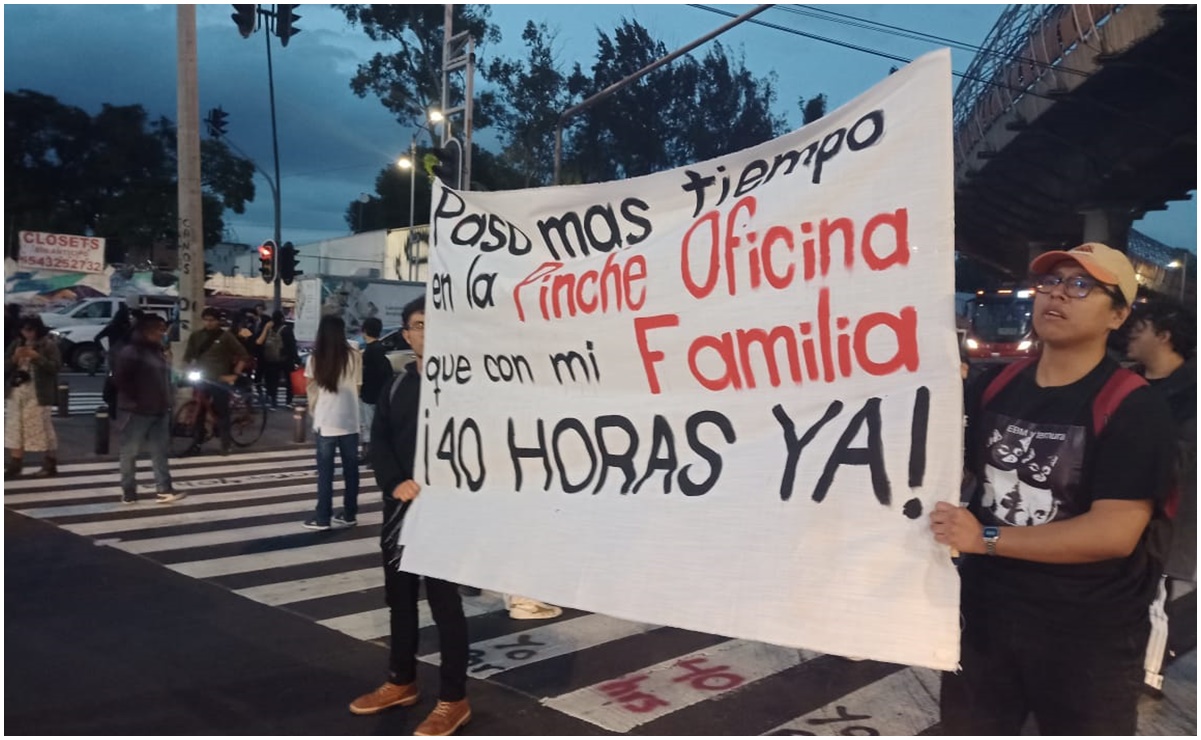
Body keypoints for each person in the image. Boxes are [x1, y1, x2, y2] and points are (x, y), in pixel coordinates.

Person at [930, 243, 1176, 735]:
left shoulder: (1133, 407)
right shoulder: (996, 385)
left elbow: (1113, 533)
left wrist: (986, 539)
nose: (1057, 294)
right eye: (1049, 282)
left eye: (1081, 285)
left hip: (1086, 637)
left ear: (1118, 314)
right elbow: (959, 472)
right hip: (985, 620)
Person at [351, 297, 471, 736]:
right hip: (399, 512)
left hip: (445, 515)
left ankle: (453, 699)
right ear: (407, 333)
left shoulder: (467, 386)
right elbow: (378, 440)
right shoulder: (397, 386)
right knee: (399, 601)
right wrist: (394, 482)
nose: (428, 333)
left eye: (438, 325)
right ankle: (401, 681)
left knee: (446, 606)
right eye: (420, 325)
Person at [1125, 300, 1197, 685]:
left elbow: (1182, 462)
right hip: (1115, 512)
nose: (1132, 333)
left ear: (1165, 336)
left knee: (1156, 594)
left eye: (1143, 326)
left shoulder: (1191, 395)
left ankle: (1147, 674)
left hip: (1165, 517)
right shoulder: (1125, 382)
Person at [113, 314, 183, 505]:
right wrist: (135, 400)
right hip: (136, 410)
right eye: (160, 330)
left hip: (158, 408)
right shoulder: (131, 352)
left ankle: (164, 489)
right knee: (130, 451)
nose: (163, 333)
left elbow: (164, 378)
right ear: (147, 331)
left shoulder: (157, 350)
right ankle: (128, 491)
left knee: (160, 451)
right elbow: (120, 379)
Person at [303, 314, 362, 531]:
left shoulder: (315, 358)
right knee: (351, 470)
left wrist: (314, 412)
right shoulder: (355, 356)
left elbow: (311, 389)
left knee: (325, 472)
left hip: (326, 419)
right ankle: (349, 514)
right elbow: (358, 386)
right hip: (350, 419)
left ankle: (322, 518)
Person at [183, 307, 249, 455]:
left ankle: (225, 444)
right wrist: (187, 370)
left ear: (218, 321)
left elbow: (243, 355)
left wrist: (235, 374)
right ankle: (196, 443)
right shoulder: (196, 336)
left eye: (212, 320)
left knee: (222, 412)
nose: (208, 323)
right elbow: (188, 357)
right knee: (199, 412)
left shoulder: (226, 337)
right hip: (201, 378)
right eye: (206, 319)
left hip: (219, 380)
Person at [4, 316, 62, 479]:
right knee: (15, 427)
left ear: (37, 329)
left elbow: (55, 367)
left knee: (40, 428)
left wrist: (36, 357)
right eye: (23, 330)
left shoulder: (48, 344)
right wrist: (15, 358)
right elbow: (5, 366)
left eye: (30, 330)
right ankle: (15, 464)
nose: (26, 333)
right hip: (16, 390)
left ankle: (50, 463)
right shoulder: (16, 343)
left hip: (38, 393)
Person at [359, 317, 392, 462]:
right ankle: (370, 453)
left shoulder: (370, 351)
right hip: (378, 393)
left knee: (368, 425)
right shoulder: (380, 348)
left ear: (365, 331)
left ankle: (370, 454)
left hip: (369, 393)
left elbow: (368, 373)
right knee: (373, 424)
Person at [257, 310, 289, 408]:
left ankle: (269, 397)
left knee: (268, 380)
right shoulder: (285, 329)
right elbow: (290, 345)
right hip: (279, 359)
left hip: (266, 359)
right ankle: (274, 401)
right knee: (276, 380)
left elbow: (258, 343)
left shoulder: (267, 329)